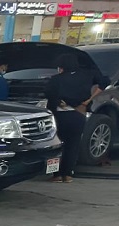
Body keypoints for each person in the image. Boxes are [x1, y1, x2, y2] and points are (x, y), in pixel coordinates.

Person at [45, 53, 110, 182]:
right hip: (79, 114)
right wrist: (89, 100)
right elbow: (105, 82)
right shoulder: (87, 75)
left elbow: (49, 95)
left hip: (60, 115)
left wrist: (58, 103)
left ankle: (57, 175)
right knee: (73, 145)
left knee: (58, 145)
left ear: (61, 66)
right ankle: (68, 175)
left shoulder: (56, 79)